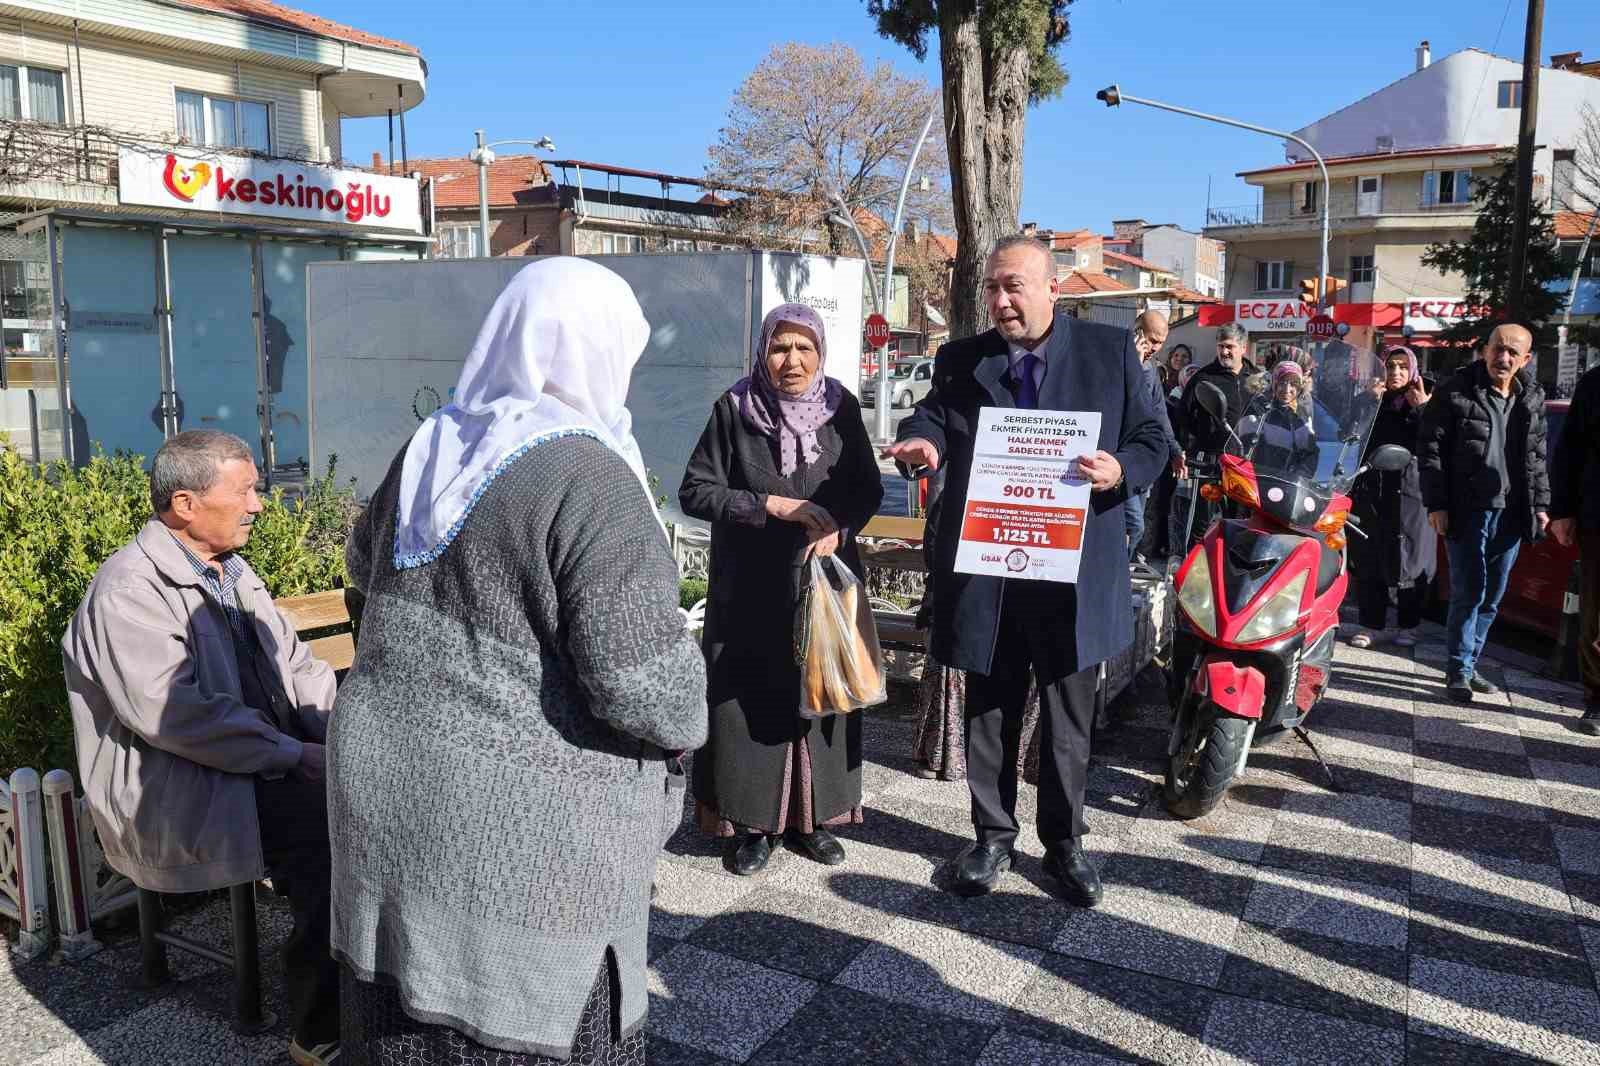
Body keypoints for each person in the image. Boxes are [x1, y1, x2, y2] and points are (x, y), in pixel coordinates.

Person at [330, 258, 707, 1065]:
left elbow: (362, 574)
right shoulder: (590, 476)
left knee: (396, 1021)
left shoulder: (429, 446)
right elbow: (645, 688)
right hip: (518, 826)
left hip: (384, 782)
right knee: (540, 1025)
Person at [882, 235, 1166, 905]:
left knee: (1070, 715)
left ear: (1052, 290)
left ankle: (1063, 842)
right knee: (990, 705)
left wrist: (1120, 469)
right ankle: (991, 836)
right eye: (992, 288)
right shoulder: (962, 359)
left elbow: (1154, 437)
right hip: (992, 564)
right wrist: (921, 442)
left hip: (1073, 567)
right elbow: (932, 419)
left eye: (1015, 286)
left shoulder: (1109, 352)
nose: (1002, 301)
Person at [61, 429, 340, 1066]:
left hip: (257, 762)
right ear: (185, 504)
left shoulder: (233, 572)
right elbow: (180, 718)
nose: (259, 505)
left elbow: (298, 665)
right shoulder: (128, 590)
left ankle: (369, 987)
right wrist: (295, 756)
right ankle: (319, 1028)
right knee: (331, 837)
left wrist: (340, 735)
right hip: (179, 785)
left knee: (378, 805)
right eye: (245, 490)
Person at [679, 303, 883, 876]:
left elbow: (866, 487)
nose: (791, 361)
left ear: (820, 354)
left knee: (823, 694)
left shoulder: (839, 408)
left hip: (822, 583)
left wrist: (841, 527)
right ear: (763, 351)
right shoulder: (735, 410)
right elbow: (695, 491)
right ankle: (750, 825)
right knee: (749, 702)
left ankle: (814, 819)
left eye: (804, 349)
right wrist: (770, 505)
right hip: (749, 587)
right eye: (779, 347)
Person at [1418, 323, 1550, 704]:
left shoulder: (1532, 397)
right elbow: (1430, 451)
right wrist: (1437, 504)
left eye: (1513, 353)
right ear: (1485, 350)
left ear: (1525, 360)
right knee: (1468, 591)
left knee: (1493, 596)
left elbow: (1537, 459)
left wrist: (1541, 506)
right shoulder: (1455, 390)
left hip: (1511, 511)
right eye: (1498, 349)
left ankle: (1471, 661)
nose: (1503, 358)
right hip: (1467, 510)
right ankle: (1458, 669)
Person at [1348, 346, 1435, 649]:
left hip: (1411, 491)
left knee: (1410, 556)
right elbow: (1351, 435)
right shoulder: (1373, 401)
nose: (1395, 372)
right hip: (1374, 488)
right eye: (1390, 366)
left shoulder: (1424, 401)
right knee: (1369, 553)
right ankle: (1371, 623)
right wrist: (1366, 404)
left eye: (1401, 366)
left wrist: (1423, 408)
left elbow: (1438, 442)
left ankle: (1408, 624)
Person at [1549, 361, 1600, 732]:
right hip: (1598, 517)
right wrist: (1563, 510)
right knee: (1596, 618)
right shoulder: (1595, 384)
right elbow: (1569, 450)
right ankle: (1597, 697)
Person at [1173, 323, 1259, 478]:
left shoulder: (1257, 378)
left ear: (1243, 348)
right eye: (1220, 346)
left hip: (1248, 462)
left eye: (1229, 347)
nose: (1224, 352)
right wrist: (1204, 436)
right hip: (1211, 462)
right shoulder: (1203, 377)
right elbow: (1183, 416)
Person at [1127, 310, 1181, 561]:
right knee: (1133, 525)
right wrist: (1133, 365)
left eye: (1159, 343)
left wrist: (1175, 450)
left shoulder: (1150, 368)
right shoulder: (1120, 358)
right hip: (1117, 460)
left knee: (1135, 528)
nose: (1154, 348)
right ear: (1137, 331)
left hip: (1141, 459)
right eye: (1150, 340)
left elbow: (1159, 413)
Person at [1236, 361, 1320, 479]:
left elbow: (1310, 454)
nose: (1287, 389)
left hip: (1286, 486)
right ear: (1274, 383)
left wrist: (1300, 476)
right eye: (1282, 383)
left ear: (1300, 388)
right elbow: (1244, 448)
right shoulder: (1258, 409)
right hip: (1254, 481)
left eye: (1293, 384)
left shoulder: (1300, 417)